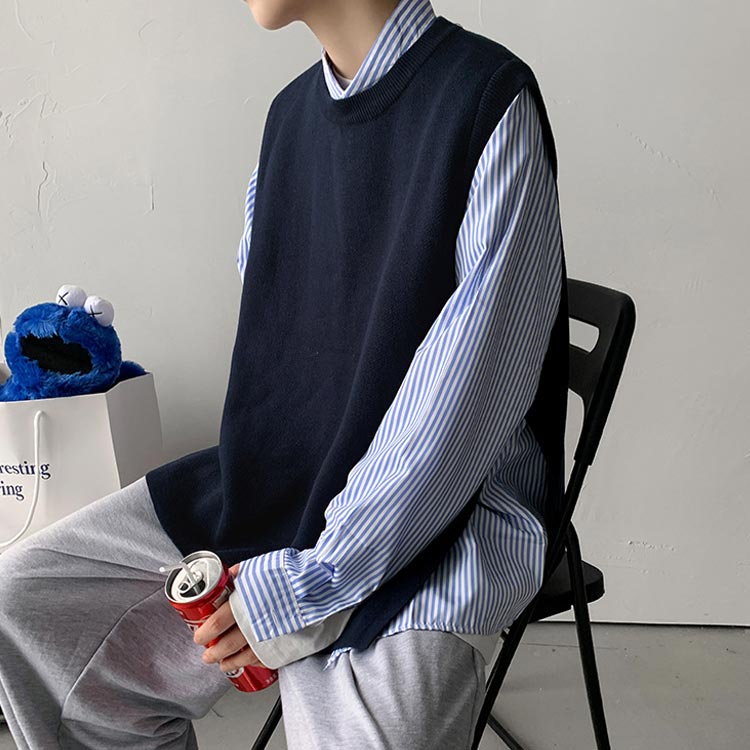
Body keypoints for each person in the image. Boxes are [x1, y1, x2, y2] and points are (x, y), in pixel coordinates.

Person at [0, 0, 569, 748]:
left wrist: (312, 584)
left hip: (445, 517)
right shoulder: (289, 118)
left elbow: (461, 408)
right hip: (284, 482)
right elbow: (289, 353)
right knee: (27, 607)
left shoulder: (487, 99)